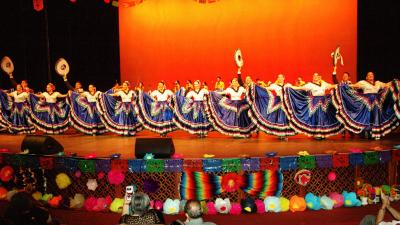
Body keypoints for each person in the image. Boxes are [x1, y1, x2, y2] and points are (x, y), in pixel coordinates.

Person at [334, 71, 398, 140]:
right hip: (367, 104)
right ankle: (367, 132)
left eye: (372, 74)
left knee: (375, 117)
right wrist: (345, 85)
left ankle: (376, 133)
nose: (371, 75)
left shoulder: (378, 83)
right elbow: (354, 85)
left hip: (376, 103)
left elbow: (386, 85)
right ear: (366, 77)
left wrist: (394, 82)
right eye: (369, 75)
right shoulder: (363, 83)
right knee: (367, 118)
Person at [284, 73, 344, 139]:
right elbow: (300, 88)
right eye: (314, 76)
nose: (315, 77)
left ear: (319, 77)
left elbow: (331, 86)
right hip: (315, 102)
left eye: (316, 76)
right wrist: (290, 87)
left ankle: (323, 133)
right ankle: (317, 134)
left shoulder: (323, 83)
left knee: (323, 117)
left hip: (324, 101)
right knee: (317, 117)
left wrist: (340, 85)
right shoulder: (310, 84)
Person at [247, 74, 295, 138]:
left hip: (286, 103)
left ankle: (284, 133)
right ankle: (280, 134)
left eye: (281, 77)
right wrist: (255, 86)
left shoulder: (288, 85)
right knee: (280, 118)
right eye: (278, 77)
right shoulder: (274, 86)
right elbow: (265, 88)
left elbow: (294, 89)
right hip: (278, 102)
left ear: (284, 78)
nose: (279, 78)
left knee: (285, 118)